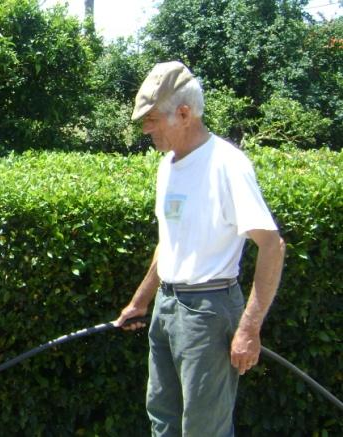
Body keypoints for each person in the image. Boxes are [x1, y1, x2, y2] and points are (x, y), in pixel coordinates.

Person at [115, 61, 285, 436]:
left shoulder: (227, 165)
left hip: (209, 311)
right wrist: (141, 301)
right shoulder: (167, 166)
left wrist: (248, 329)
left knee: (204, 428)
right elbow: (170, 242)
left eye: (152, 119)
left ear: (185, 113)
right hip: (167, 307)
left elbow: (272, 247)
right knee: (163, 417)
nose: (145, 128)